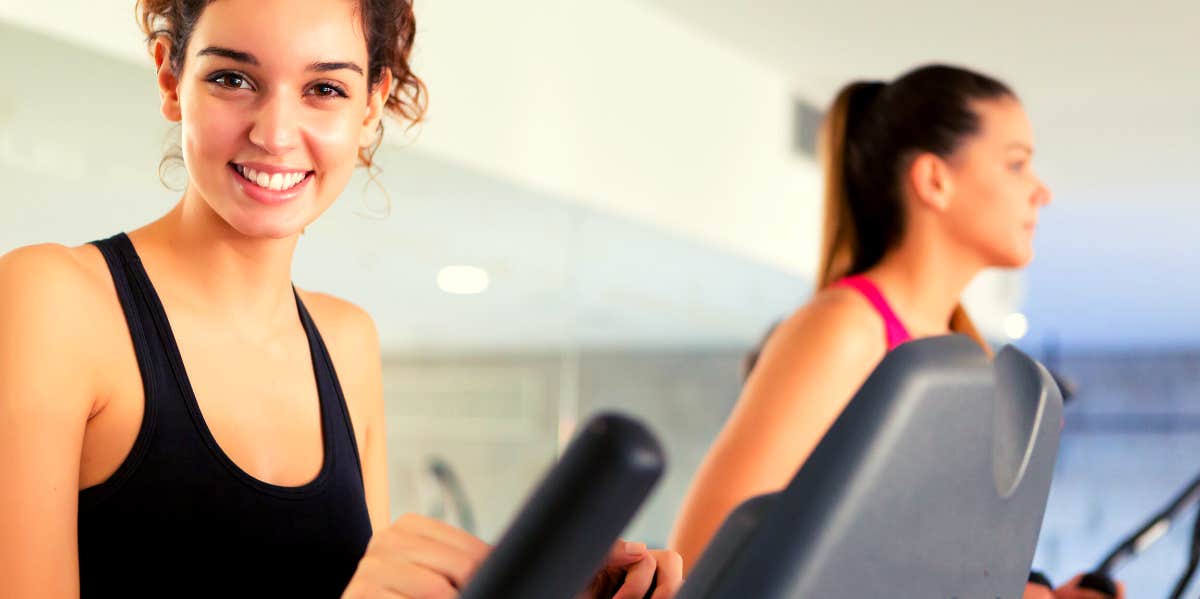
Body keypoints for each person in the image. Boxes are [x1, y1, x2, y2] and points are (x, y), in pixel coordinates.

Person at [0, 1, 682, 597]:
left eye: (324, 87)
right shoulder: (54, 302)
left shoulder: (347, 340)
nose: (274, 132)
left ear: (372, 105)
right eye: (233, 78)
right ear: (170, 78)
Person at [667, 64, 1121, 599]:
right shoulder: (845, 328)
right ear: (935, 179)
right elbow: (705, 562)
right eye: (1016, 164)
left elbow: (931, 568)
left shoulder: (965, 353)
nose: (1040, 192)